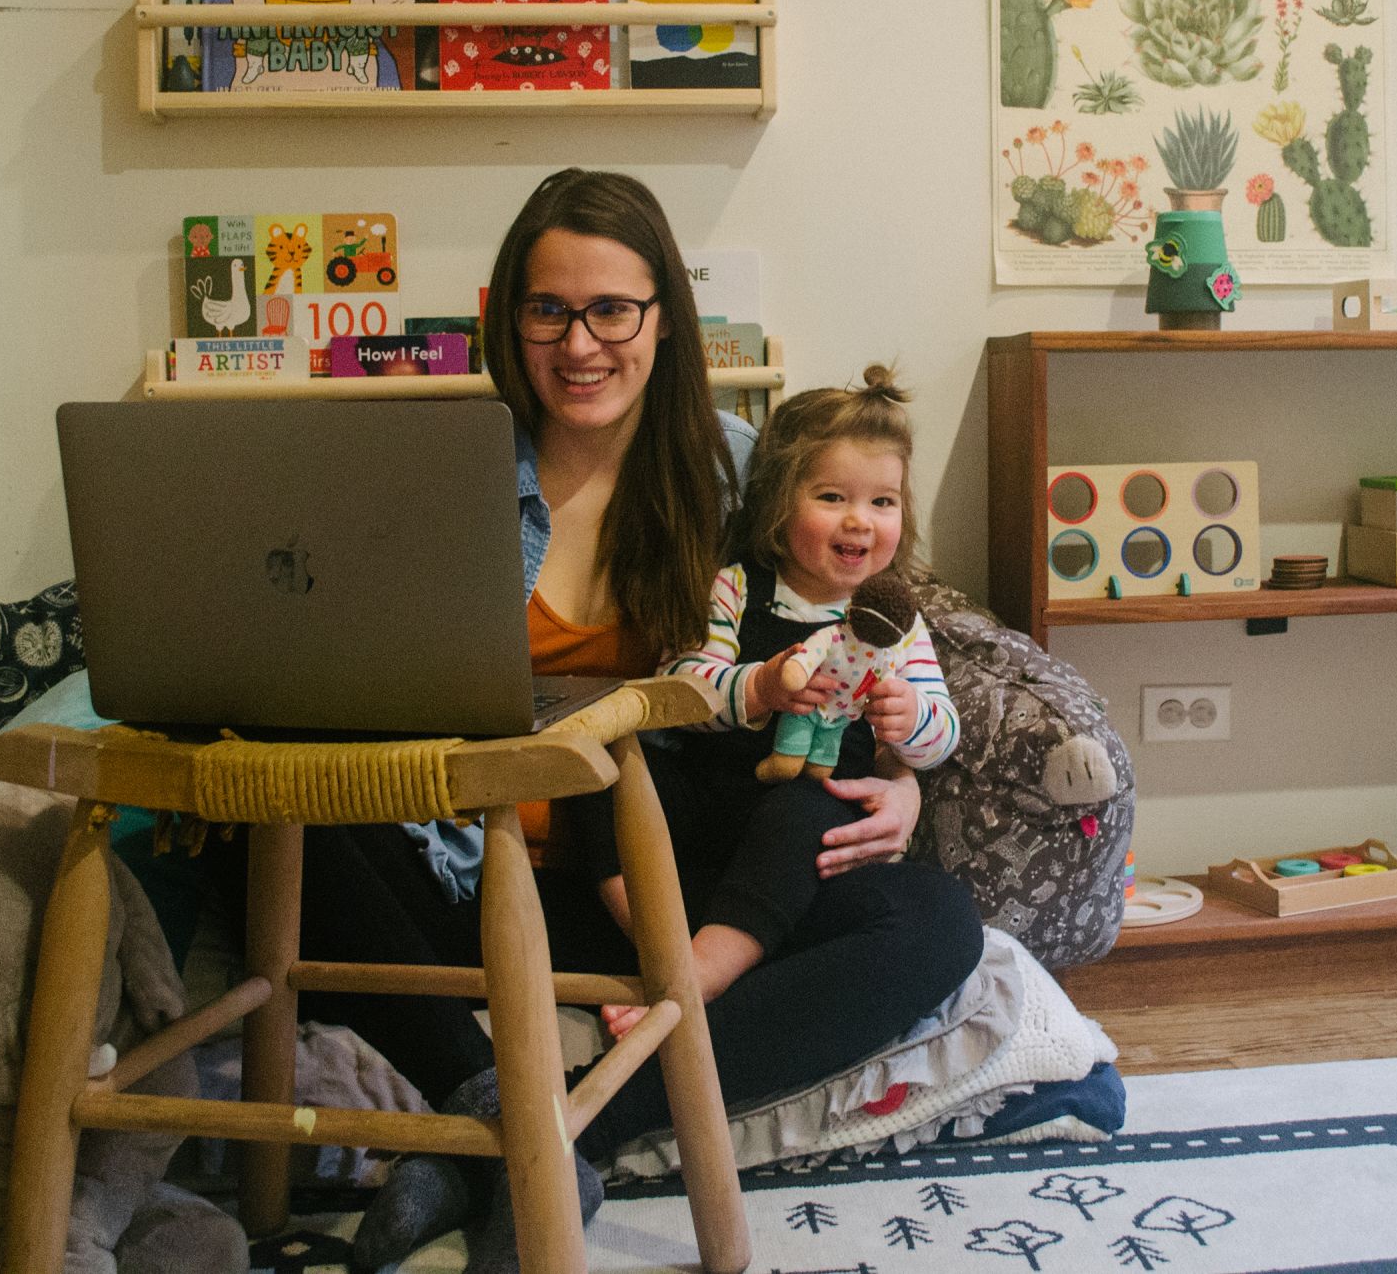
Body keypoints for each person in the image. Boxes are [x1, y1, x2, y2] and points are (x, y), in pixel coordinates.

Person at [302, 171, 981, 1273]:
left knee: (935, 925)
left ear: (663, 315)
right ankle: (498, 1114)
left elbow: (877, 618)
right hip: (465, 865)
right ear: (506, 319)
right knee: (265, 822)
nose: (580, 344)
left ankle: (558, 1131)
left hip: (653, 865)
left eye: (611, 309)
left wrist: (907, 777)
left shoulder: (735, 469)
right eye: (547, 310)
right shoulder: (440, 470)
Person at [594, 367, 960, 1041]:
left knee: (813, 808)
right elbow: (681, 681)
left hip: (803, 812)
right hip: (711, 798)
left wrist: (912, 720)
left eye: (883, 501)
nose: (860, 519)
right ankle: (661, 947)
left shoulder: (896, 619)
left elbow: (943, 731)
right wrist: (760, 685)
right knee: (605, 766)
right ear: (777, 505)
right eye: (832, 496)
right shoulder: (734, 587)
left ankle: (695, 978)